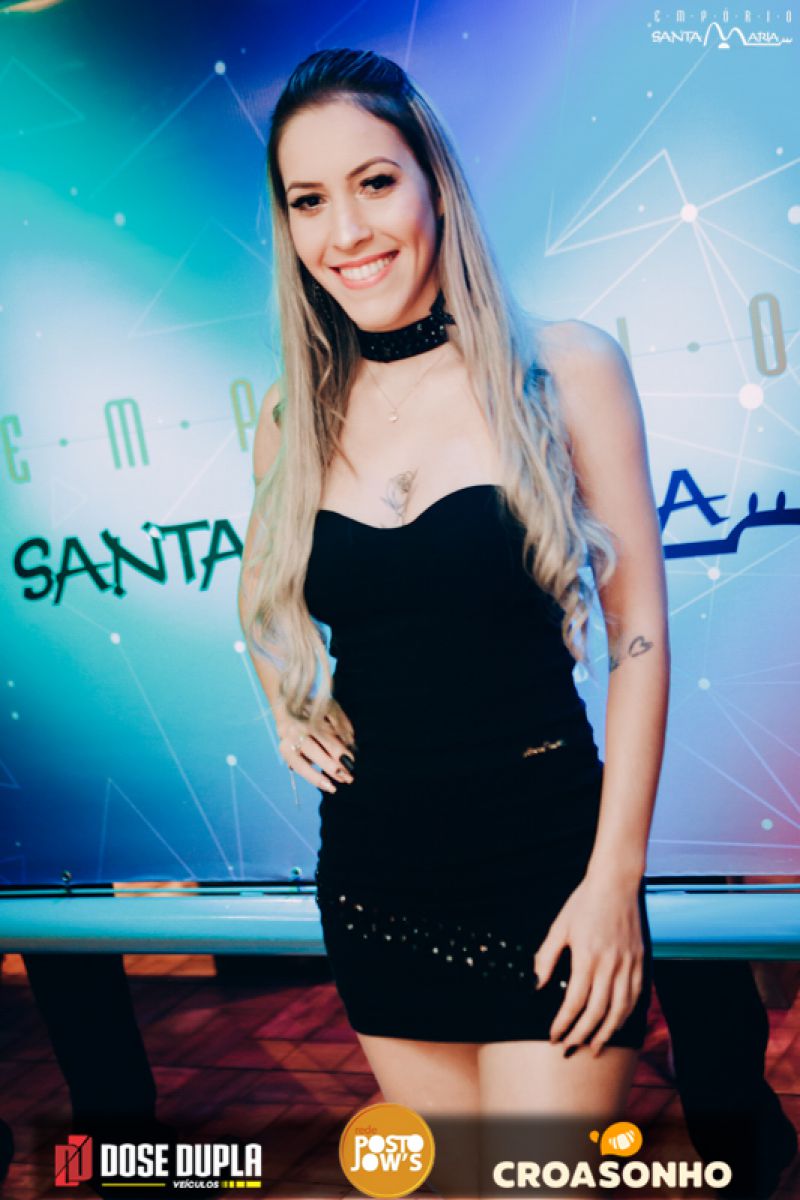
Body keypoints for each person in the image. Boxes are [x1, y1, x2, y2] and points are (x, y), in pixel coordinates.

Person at [239, 47, 669, 1195]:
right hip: (377, 881)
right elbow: (263, 589)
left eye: (374, 182)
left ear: (434, 181)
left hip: (546, 869)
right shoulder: (291, 410)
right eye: (308, 200)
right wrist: (284, 702)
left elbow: (637, 639)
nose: (345, 231)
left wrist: (612, 882)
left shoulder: (562, 369)